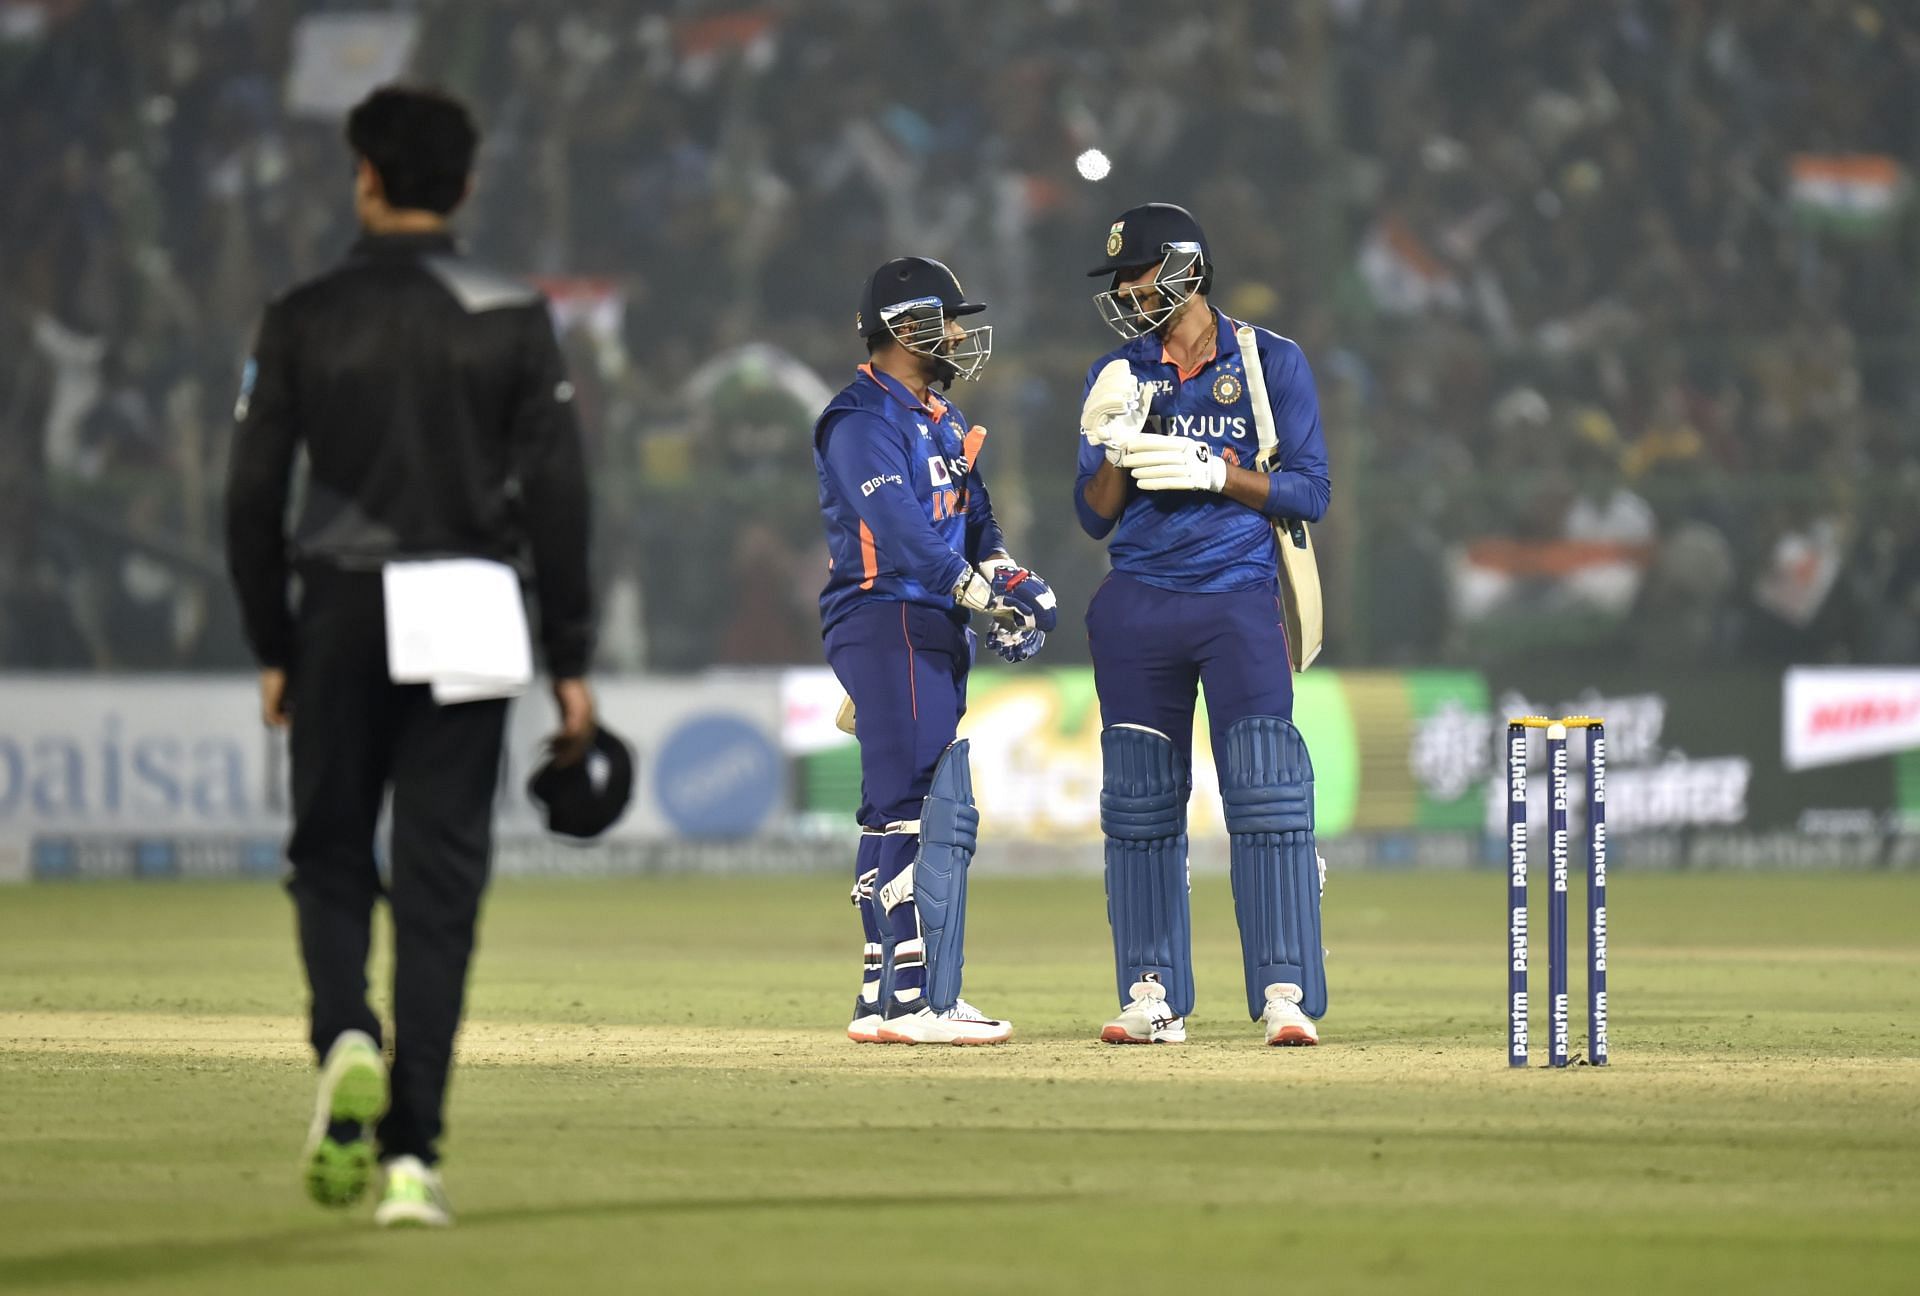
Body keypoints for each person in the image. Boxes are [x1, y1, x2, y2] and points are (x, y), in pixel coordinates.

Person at [224, 85, 596, 1226]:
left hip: (339, 597)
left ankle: (345, 1032)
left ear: (366, 178)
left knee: (332, 855)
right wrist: (570, 653)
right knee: (441, 889)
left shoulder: (301, 311)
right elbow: (559, 495)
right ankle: (411, 1163)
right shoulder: (514, 314)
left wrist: (272, 639)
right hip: (476, 605)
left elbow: (248, 495)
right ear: (466, 186)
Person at [1074, 203, 1331, 1046]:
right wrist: (1117, 442)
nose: (1123, 291)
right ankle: (1152, 994)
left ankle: (1285, 990)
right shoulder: (1120, 371)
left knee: (1266, 793)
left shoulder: (1268, 362)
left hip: (1238, 599)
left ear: (1184, 268)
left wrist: (1218, 473)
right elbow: (1094, 517)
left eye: (1135, 273)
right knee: (1141, 804)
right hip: (1139, 601)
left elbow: (1309, 493)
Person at [813, 256, 1057, 1046]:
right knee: (915, 800)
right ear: (906, 323)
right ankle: (919, 1001)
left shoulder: (942, 418)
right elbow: (905, 537)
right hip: (887, 616)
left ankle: (882, 997)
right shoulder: (859, 420)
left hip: (931, 621)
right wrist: (980, 597)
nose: (959, 334)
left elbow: (974, 523)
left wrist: (1015, 579)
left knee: (893, 805)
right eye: (948, 319)